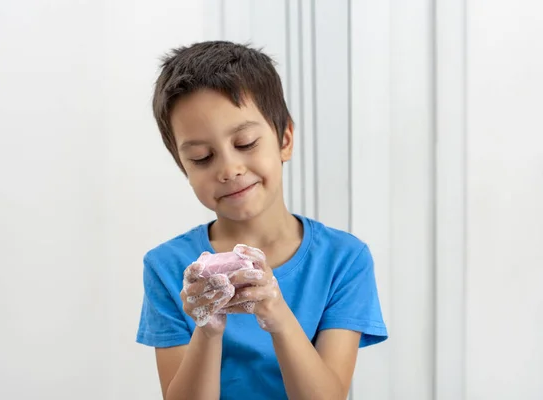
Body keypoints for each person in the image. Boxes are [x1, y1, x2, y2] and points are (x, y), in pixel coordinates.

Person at [136, 40, 388, 400]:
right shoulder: (166, 267)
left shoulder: (344, 260)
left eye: (246, 143)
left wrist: (276, 313)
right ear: (183, 168)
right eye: (202, 158)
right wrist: (207, 330)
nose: (229, 169)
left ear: (284, 139)